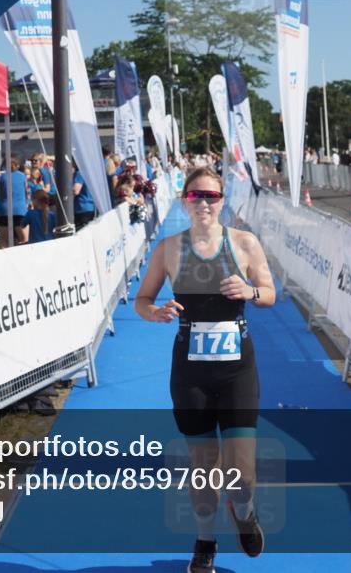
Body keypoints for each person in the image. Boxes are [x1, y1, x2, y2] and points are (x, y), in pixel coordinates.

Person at [134, 166, 276, 572]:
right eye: (196, 195)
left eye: (212, 196)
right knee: (203, 467)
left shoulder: (244, 243)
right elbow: (142, 300)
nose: (204, 203)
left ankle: (244, 512)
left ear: (221, 200)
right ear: (186, 201)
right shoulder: (169, 248)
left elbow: (270, 293)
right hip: (191, 374)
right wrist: (155, 312)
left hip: (237, 373)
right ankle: (205, 541)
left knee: (242, 477)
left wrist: (249, 290)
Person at [0, 158, 28, 248]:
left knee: (4, 240)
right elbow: (26, 192)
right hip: (20, 210)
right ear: (17, 166)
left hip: (4, 209)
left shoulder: (1, 177)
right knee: (24, 240)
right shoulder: (23, 176)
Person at [73, 166, 96, 230]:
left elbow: (76, 191)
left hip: (81, 207)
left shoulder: (80, 173)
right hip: (91, 207)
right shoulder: (92, 173)